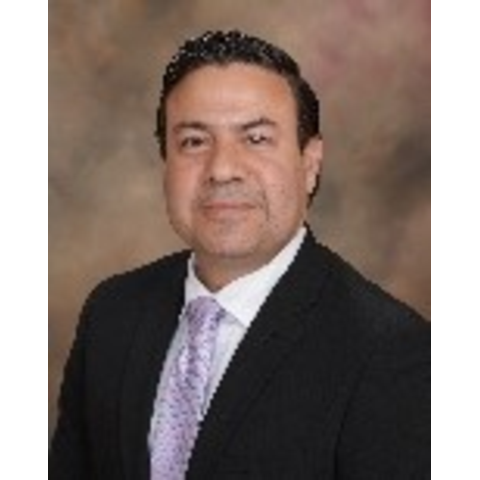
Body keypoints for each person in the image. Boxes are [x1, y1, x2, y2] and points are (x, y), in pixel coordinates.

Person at [50, 30, 430, 479]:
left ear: (310, 163)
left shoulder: (392, 352)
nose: (222, 169)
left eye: (256, 139)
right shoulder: (112, 313)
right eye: (194, 141)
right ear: (166, 164)